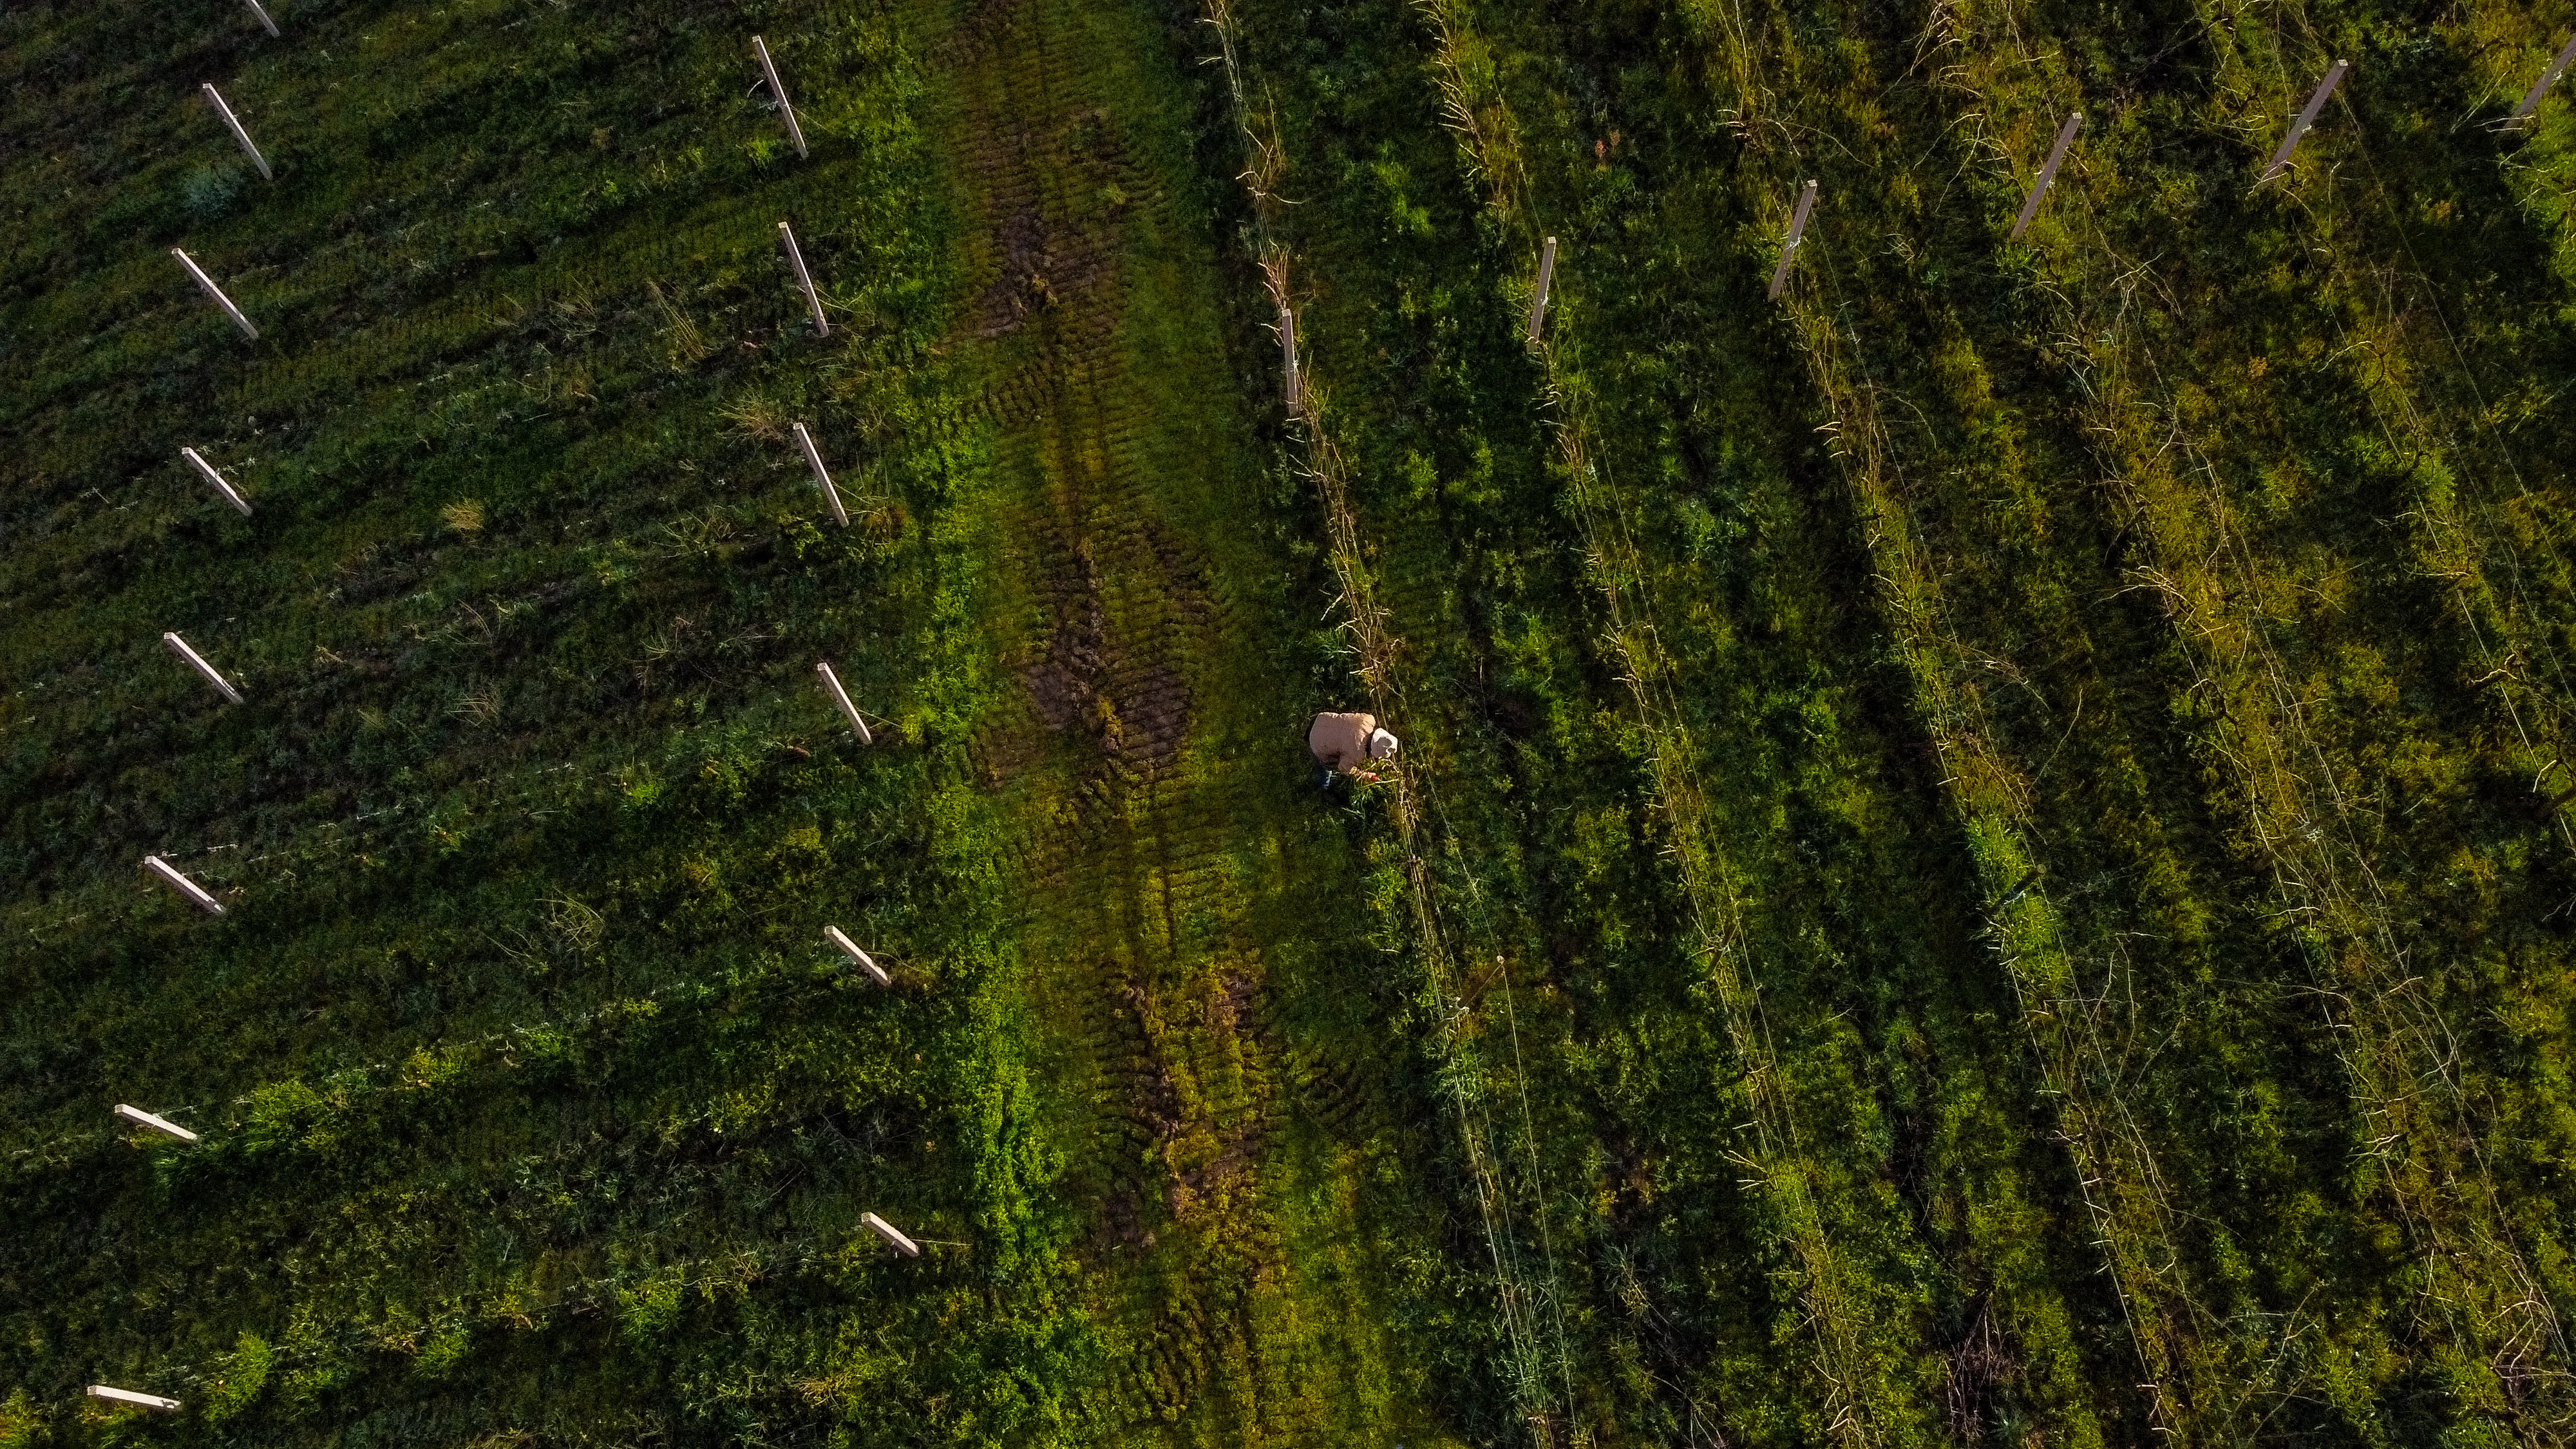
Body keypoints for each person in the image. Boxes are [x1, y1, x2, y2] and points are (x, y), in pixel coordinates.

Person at [1310, 710, 1399, 791]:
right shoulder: (1357, 754)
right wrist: (1364, 775)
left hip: (1322, 719)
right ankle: (1323, 788)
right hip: (1316, 742)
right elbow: (1344, 768)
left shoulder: (1369, 719)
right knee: (1326, 767)